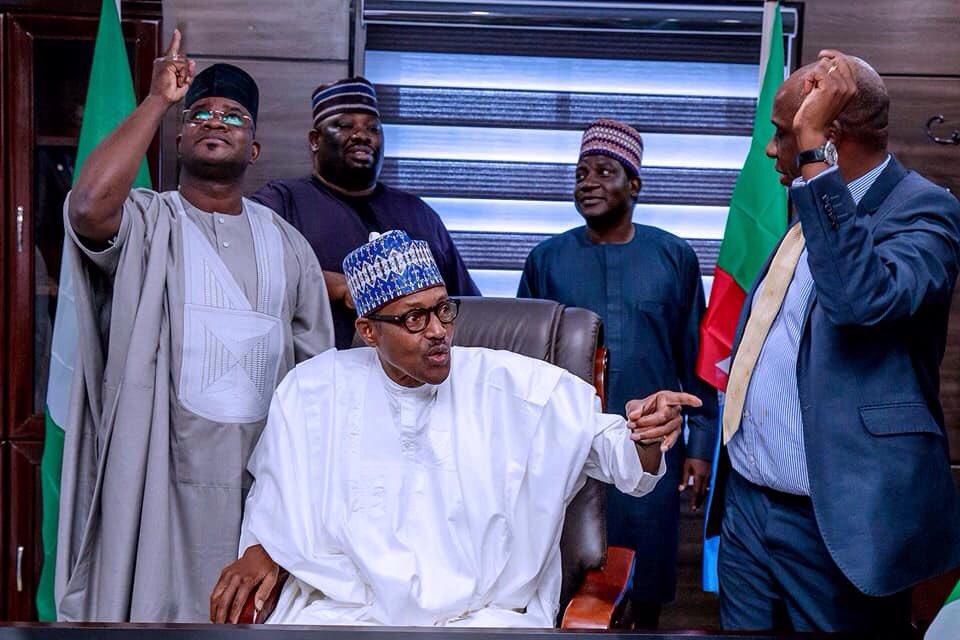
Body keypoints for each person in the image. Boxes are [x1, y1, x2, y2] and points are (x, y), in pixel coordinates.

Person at [209, 230, 702, 626]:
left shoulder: (510, 382)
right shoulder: (314, 391)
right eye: (415, 318)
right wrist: (260, 549)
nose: (439, 331)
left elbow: (612, 451)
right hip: (345, 613)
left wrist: (644, 433)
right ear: (368, 331)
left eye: (444, 309)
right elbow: (275, 495)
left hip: (481, 617)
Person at [55, 31, 335, 622]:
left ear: (254, 147)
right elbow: (86, 209)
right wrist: (158, 99)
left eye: (233, 116)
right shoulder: (147, 220)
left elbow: (319, 391)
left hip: (258, 496)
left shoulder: (289, 247)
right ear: (179, 136)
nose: (215, 121)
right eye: (199, 112)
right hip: (155, 478)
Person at [705, 50, 960, 634]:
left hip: (835, 526)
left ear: (828, 137)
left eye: (783, 133)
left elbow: (858, 301)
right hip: (748, 511)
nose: (771, 149)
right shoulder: (803, 211)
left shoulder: (925, 212)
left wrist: (814, 161)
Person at [517, 119, 718, 628]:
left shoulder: (673, 255)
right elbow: (522, 363)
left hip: (652, 441)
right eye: (581, 172)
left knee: (648, 574)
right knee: (567, 574)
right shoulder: (546, 259)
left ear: (635, 184)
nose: (588, 182)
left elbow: (695, 358)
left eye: (605, 171)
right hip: (568, 446)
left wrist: (698, 449)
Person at [252, 77, 480, 349]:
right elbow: (249, 267)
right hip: (319, 373)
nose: (362, 135)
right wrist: (338, 286)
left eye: (373, 128)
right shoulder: (282, 201)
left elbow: (467, 305)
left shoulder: (418, 213)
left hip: (413, 381)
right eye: (344, 125)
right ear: (315, 140)